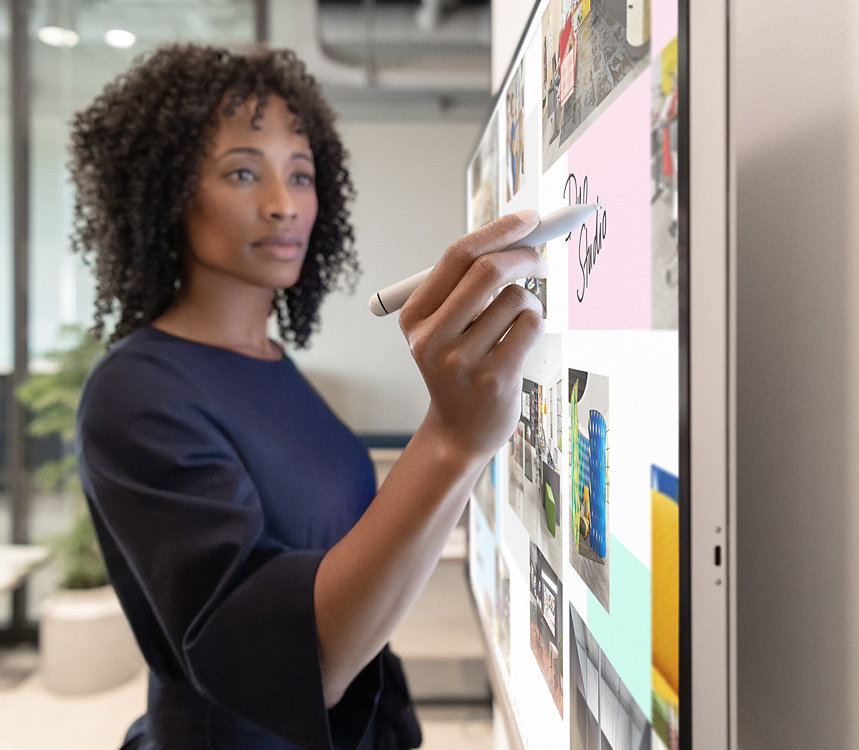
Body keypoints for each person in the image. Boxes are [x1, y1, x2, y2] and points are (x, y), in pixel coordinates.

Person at [71, 43, 545, 750]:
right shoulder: (135, 393)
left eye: (301, 174)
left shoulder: (269, 362)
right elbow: (284, 665)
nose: (282, 205)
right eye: (241, 172)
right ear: (164, 190)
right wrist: (451, 438)